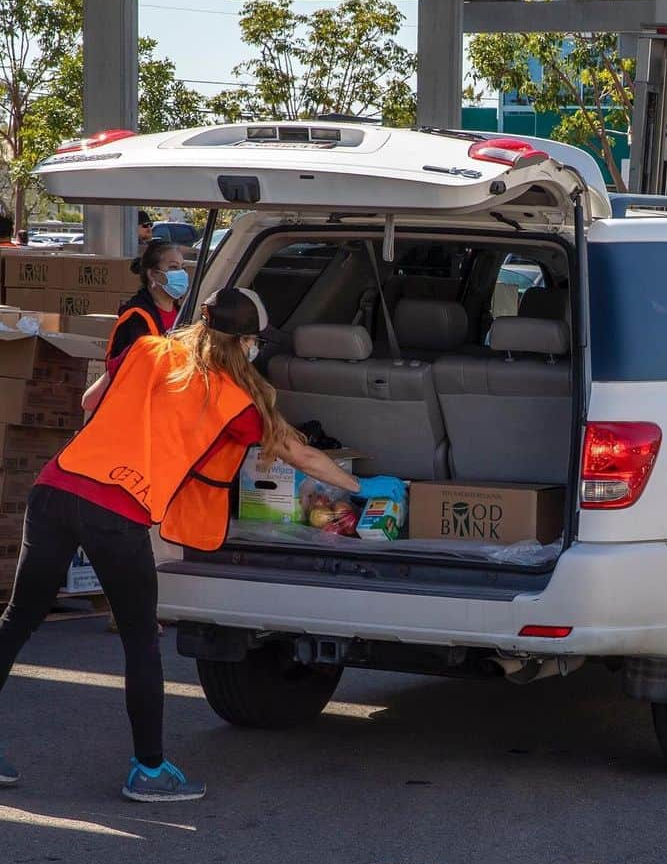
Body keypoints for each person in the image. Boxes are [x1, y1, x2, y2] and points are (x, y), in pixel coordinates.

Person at [0, 287, 403, 802]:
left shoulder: (147, 348)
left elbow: (89, 401)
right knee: (141, 639)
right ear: (246, 343)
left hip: (56, 488)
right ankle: (149, 771)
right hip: (117, 510)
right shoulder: (235, 401)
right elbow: (303, 459)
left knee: (18, 619)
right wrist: (363, 489)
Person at [109, 239, 188, 359]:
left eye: (182, 268)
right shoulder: (136, 318)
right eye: (173, 267)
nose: (181, 273)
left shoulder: (182, 313)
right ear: (152, 274)